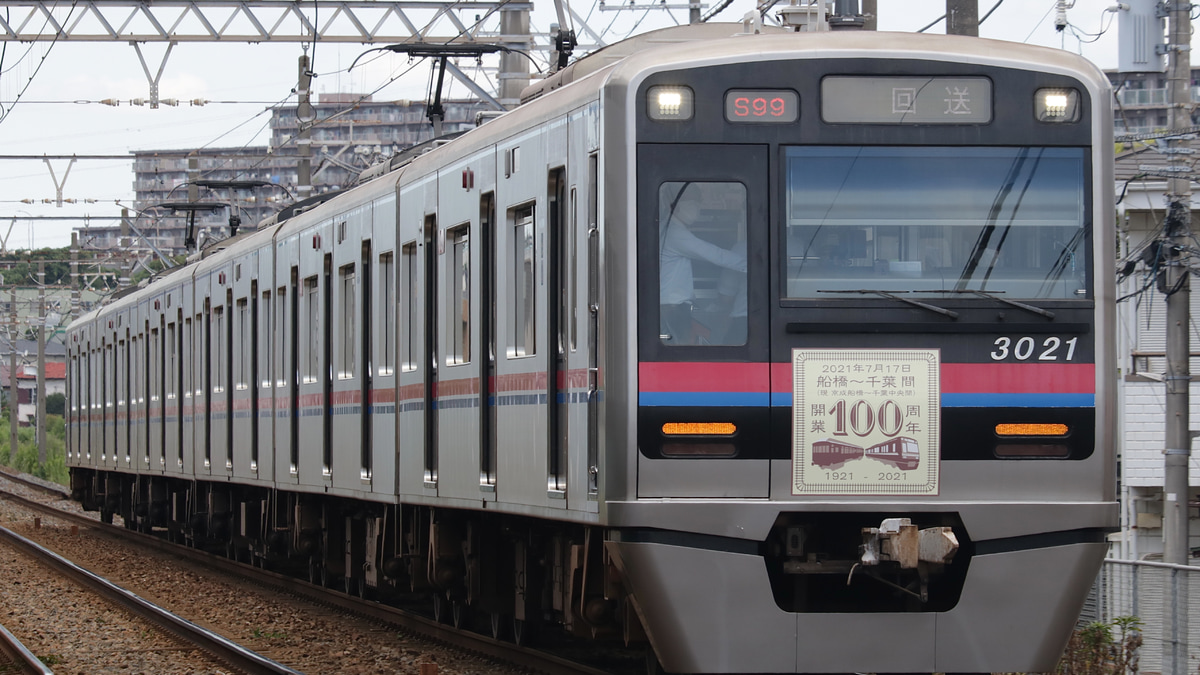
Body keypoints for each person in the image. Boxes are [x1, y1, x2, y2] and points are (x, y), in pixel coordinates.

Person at [659, 193, 746, 345]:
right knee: (684, 350)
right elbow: (714, 254)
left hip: (669, 304)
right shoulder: (675, 233)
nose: (697, 209)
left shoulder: (666, 228)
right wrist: (753, 264)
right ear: (675, 206)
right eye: (693, 203)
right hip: (674, 306)